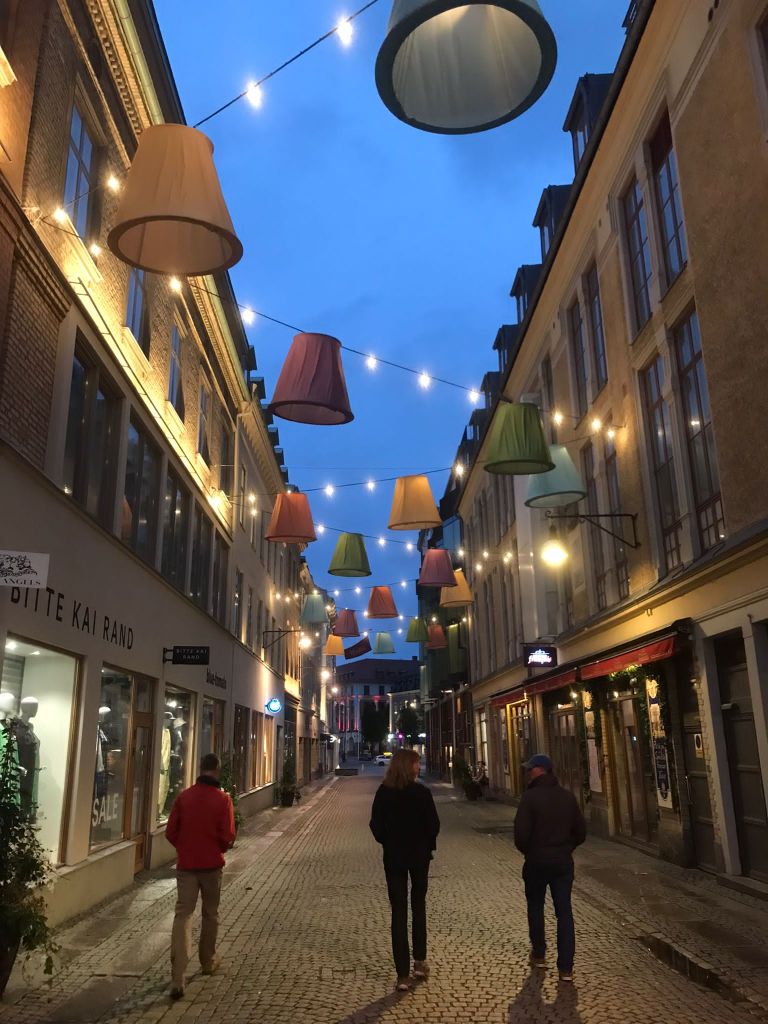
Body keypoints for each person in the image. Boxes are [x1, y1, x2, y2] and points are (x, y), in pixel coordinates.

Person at [165, 752, 236, 1000]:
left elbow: (170, 831)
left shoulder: (184, 797)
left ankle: (178, 976)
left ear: (200, 769)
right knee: (210, 913)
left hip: (186, 866)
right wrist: (217, 847)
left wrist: (184, 847)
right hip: (211, 866)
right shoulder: (223, 800)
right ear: (216, 770)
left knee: (183, 915)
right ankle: (208, 961)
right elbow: (228, 836)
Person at [370, 748, 440, 992]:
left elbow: (375, 824)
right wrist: (426, 843)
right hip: (419, 858)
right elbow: (434, 825)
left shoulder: (384, 793)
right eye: (416, 763)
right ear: (408, 766)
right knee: (418, 906)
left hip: (394, 859)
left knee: (398, 912)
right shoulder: (422, 793)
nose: (419, 767)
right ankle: (419, 962)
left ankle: (402, 974)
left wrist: (388, 841)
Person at [513, 753, 586, 984]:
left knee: (535, 907)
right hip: (562, 863)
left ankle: (539, 954)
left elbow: (520, 835)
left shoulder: (530, 798)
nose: (527, 773)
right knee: (564, 912)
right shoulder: (567, 797)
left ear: (539, 770)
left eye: (530, 769)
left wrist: (531, 851)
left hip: (536, 862)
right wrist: (566, 848)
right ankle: (566, 967)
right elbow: (581, 832)